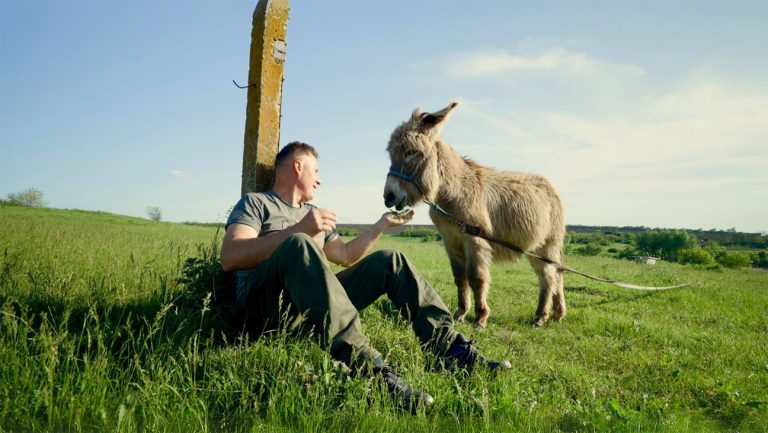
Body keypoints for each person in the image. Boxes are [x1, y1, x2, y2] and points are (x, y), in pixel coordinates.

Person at [220, 141, 510, 412]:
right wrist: (299, 231)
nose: (319, 180)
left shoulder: (314, 214)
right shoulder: (256, 203)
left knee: (391, 260)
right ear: (298, 167)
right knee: (298, 244)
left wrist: (381, 225)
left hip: (309, 312)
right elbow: (231, 257)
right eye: (316, 171)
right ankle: (370, 371)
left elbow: (345, 255)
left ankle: (449, 350)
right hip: (263, 312)